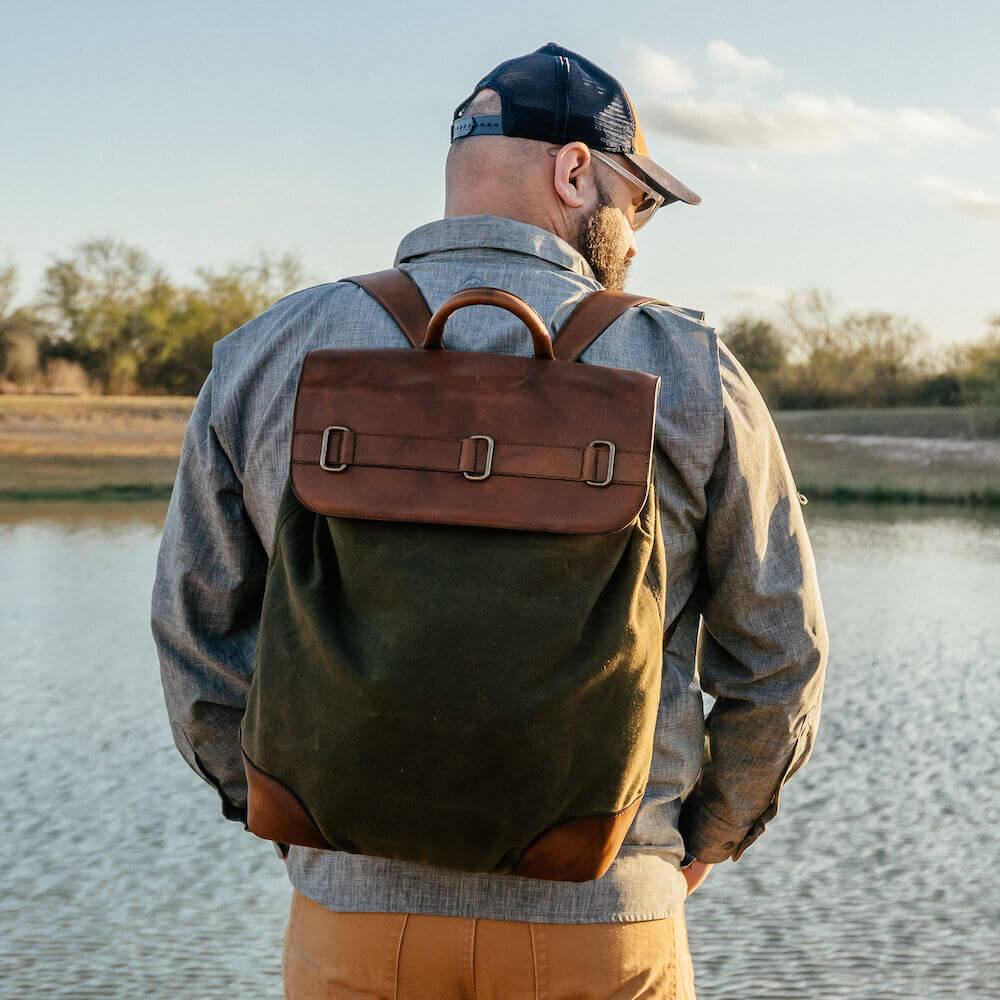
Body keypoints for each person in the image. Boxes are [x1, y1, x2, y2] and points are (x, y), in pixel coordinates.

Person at [151, 41, 828, 1000]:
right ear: (575, 171)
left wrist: (291, 818)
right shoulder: (690, 369)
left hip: (352, 926)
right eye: (636, 204)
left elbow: (195, 633)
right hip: (605, 921)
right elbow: (779, 656)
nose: (636, 238)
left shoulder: (270, 351)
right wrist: (692, 845)